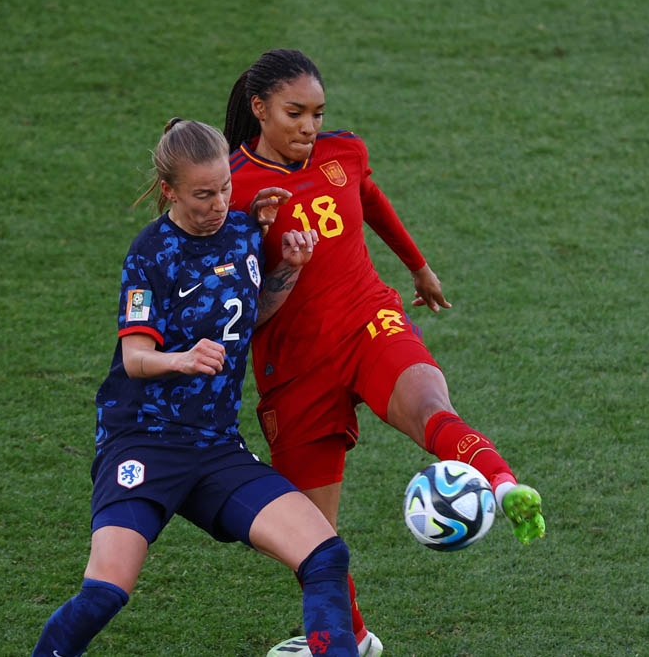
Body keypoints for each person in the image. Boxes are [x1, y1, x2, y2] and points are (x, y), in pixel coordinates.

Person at [223, 49, 546, 656]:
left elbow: (368, 198)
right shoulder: (231, 190)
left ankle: (501, 484)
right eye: (296, 114)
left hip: (370, 320)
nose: (310, 128)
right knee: (313, 540)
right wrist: (269, 251)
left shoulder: (344, 153)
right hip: (294, 369)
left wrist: (418, 268)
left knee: (431, 409)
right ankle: (357, 639)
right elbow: (231, 299)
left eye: (318, 114)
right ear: (259, 108)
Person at [31, 118, 357, 657]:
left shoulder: (244, 232)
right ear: (170, 192)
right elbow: (135, 359)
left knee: (325, 554)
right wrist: (182, 359)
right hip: (143, 441)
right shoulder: (150, 254)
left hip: (215, 446)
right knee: (106, 592)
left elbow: (247, 318)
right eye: (204, 194)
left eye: (225, 187)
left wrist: (289, 271)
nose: (219, 202)